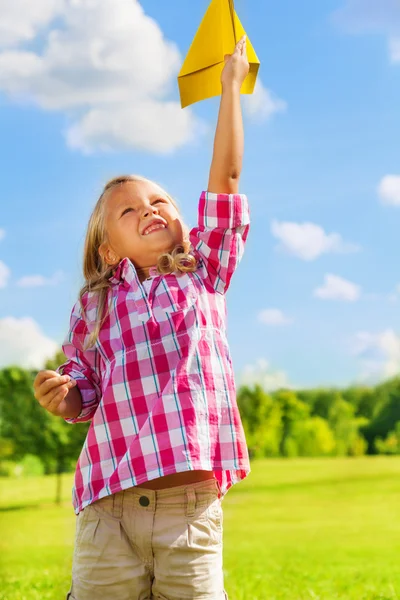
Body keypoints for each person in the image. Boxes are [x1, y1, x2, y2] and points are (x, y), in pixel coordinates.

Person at [34, 35, 251, 600]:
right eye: (128, 211)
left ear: (183, 222)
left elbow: (225, 184)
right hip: (109, 505)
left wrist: (229, 88)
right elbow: (84, 383)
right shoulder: (97, 303)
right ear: (109, 251)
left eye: (160, 201)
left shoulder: (204, 272)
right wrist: (67, 396)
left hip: (191, 508)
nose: (149, 208)